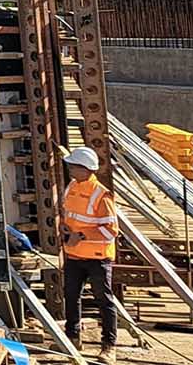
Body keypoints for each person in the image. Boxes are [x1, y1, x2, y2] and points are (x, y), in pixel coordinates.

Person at [60, 146, 118, 363]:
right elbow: (69, 214)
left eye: (73, 166)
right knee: (71, 296)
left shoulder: (101, 195)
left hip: (97, 258)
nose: (70, 169)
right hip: (74, 255)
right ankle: (72, 337)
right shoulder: (72, 187)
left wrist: (82, 235)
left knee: (104, 300)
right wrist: (66, 228)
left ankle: (108, 345)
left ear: (85, 169)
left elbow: (110, 229)